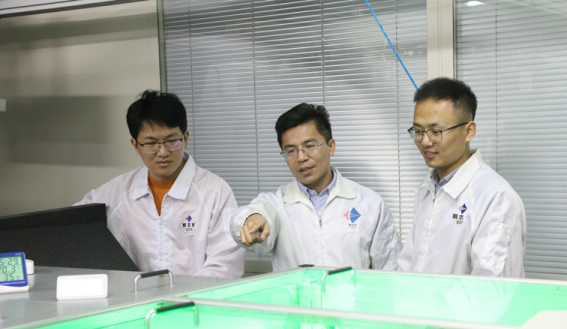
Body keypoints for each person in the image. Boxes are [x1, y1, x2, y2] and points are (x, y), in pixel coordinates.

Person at [75, 90, 245, 277]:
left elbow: (225, 264)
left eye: (171, 141)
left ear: (186, 138)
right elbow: (70, 225)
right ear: (135, 145)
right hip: (135, 294)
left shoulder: (215, 191)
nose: (163, 152)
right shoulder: (116, 192)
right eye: (151, 143)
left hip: (195, 295)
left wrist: (184, 293)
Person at [230, 103, 401, 271]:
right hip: (294, 292)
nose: (301, 157)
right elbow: (248, 218)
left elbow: (391, 271)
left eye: (309, 146)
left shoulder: (370, 204)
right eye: (291, 151)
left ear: (330, 147)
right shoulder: (276, 204)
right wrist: (251, 219)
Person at [398, 77, 526, 277]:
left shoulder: (496, 198)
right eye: (419, 131)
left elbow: (491, 285)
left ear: (469, 131)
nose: (425, 142)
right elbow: (408, 264)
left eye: (435, 131)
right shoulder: (428, 189)